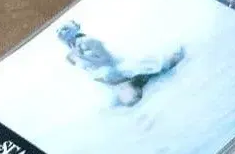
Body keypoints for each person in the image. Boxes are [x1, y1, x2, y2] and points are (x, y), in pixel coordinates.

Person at [56, 20, 185, 106]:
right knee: (127, 100)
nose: (62, 34)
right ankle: (134, 86)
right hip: (110, 79)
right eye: (60, 33)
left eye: (65, 30)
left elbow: (106, 60)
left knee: (155, 67)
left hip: (118, 70)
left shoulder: (89, 41)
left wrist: (82, 57)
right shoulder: (73, 50)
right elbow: (85, 68)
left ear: (73, 30)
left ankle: (169, 60)